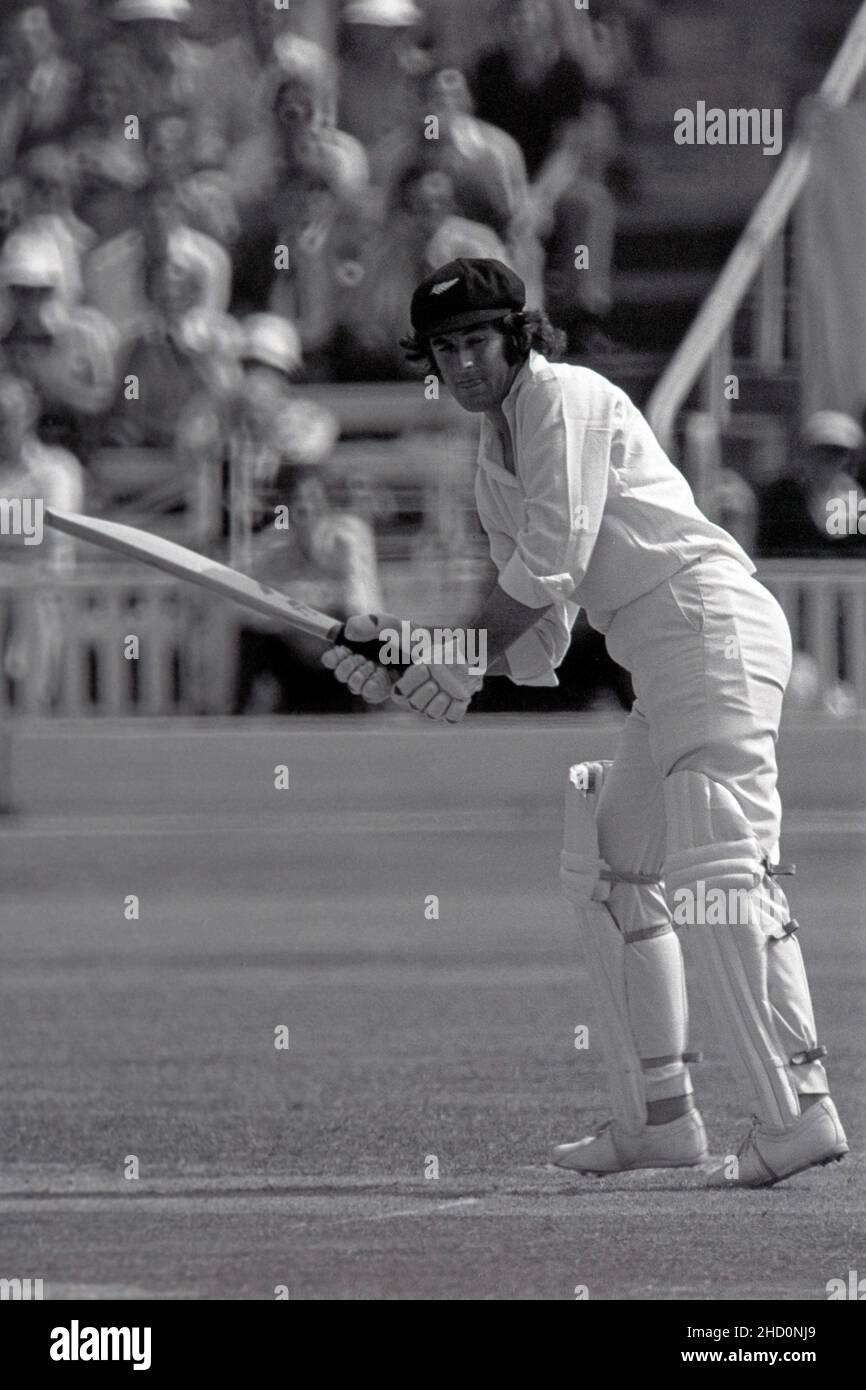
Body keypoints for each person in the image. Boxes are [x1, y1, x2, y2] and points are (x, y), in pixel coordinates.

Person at [322, 257, 848, 1188]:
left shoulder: (564, 397)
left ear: (517, 336)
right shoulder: (495, 463)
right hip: (665, 663)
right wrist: (414, 659)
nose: (464, 364)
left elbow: (553, 564)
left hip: (709, 627)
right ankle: (659, 1120)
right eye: (446, 350)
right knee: (611, 869)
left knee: (722, 869)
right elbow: (541, 645)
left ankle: (797, 1113)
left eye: (478, 341)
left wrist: (437, 650)